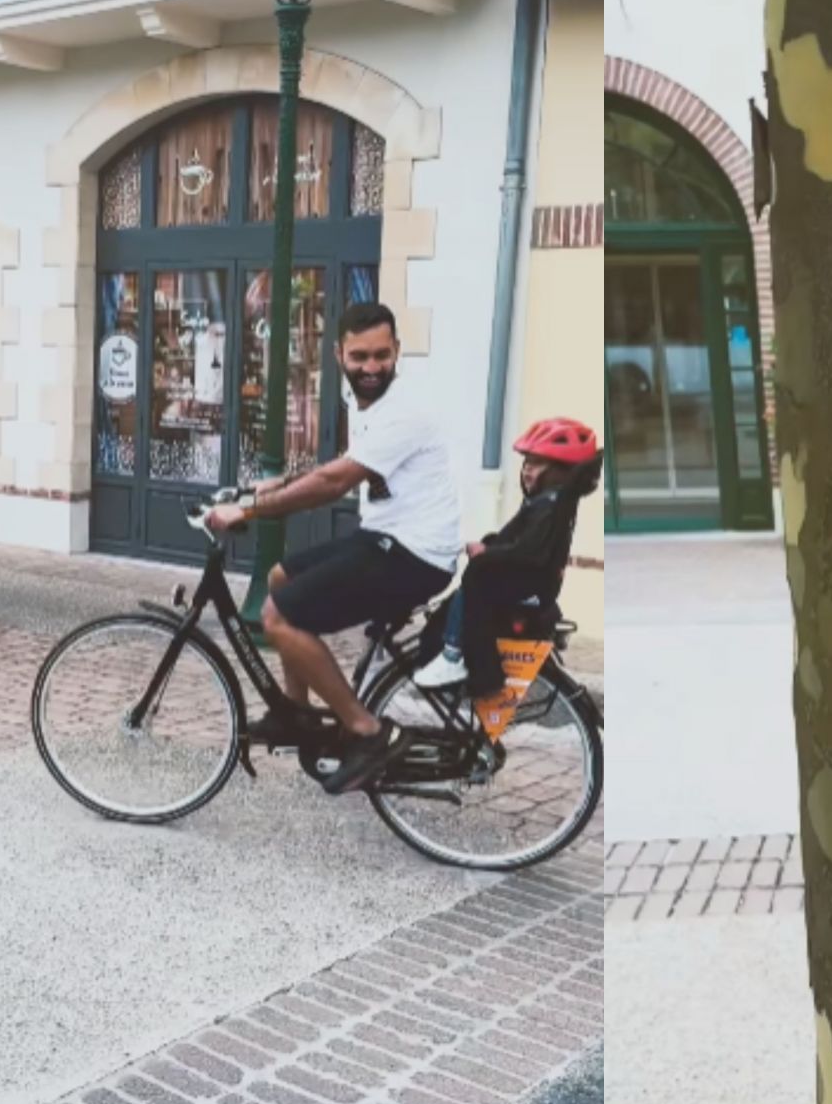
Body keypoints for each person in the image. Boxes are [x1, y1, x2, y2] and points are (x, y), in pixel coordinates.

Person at [205, 302, 461, 794]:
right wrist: (273, 485)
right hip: (386, 538)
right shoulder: (359, 397)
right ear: (339, 353)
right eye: (359, 356)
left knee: (279, 617)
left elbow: (336, 481)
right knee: (281, 578)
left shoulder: (404, 410)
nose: (370, 368)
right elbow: (346, 461)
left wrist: (254, 511)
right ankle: (297, 714)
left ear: (397, 353)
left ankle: (369, 731)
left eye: (381, 356)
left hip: (414, 555)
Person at [414, 417, 601, 690]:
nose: (526, 471)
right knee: (464, 593)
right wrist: (491, 547)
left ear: (558, 471)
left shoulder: (549, 506)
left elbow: (529, 551)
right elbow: (521, 542)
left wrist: (487, 554)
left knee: (476, 577)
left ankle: (453, 656)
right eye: (526, 463)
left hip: (531, 588)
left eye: (536, 464)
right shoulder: (552, 501)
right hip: (538, 585)